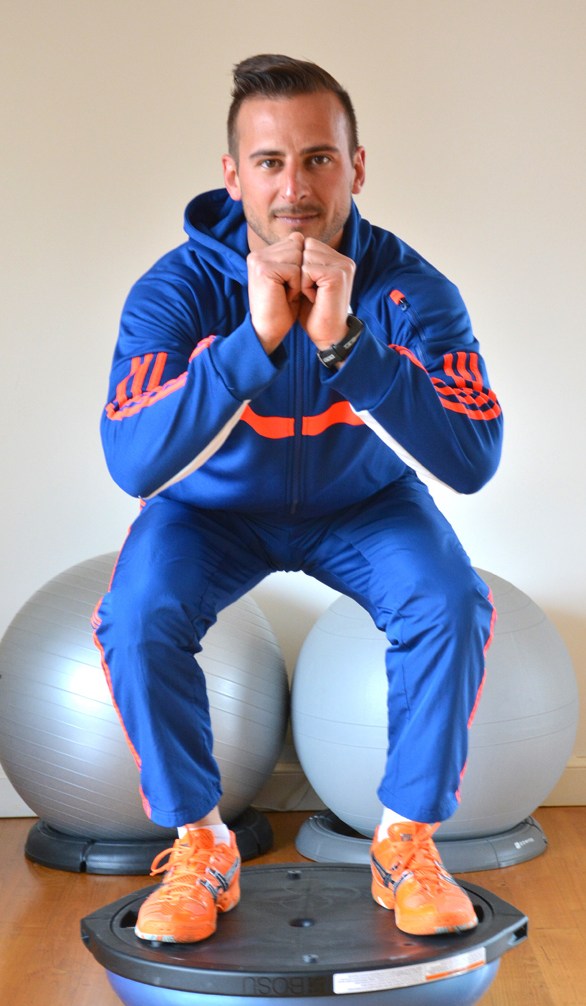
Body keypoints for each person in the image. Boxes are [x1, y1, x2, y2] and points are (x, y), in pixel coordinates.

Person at [93, 54, 502, 945]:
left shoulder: (411, 290)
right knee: (137, 613)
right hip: (211, 512)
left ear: (356, 166)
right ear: (232, 174)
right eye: (270, 162)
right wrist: (255, 340)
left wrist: (348, 344)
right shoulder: (177, 290)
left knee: (447, 600)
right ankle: (201, 844)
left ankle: (405, 844)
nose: (295, 187)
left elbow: (472, 456)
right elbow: (132, 460)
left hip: (362, 504)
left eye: (318, 158)